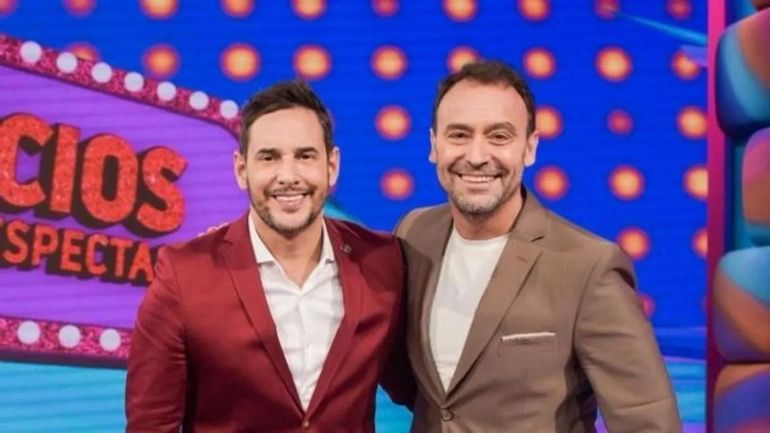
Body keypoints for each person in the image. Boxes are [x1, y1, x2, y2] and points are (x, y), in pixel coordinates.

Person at [395, 60, 681, 433]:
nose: (477, 156)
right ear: (434, 145)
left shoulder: (588, 266)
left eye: (499, 136)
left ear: (530, 148)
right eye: (459, 135)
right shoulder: (414, 234)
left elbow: (647, 420)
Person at [126, 80, 413, 433]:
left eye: (305, 156)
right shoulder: (184, 275)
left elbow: (421, 390)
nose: (288, 176)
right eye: (269, 157)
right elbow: (151, 425)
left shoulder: (382, 261)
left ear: (332, 166)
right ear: (241, 170)